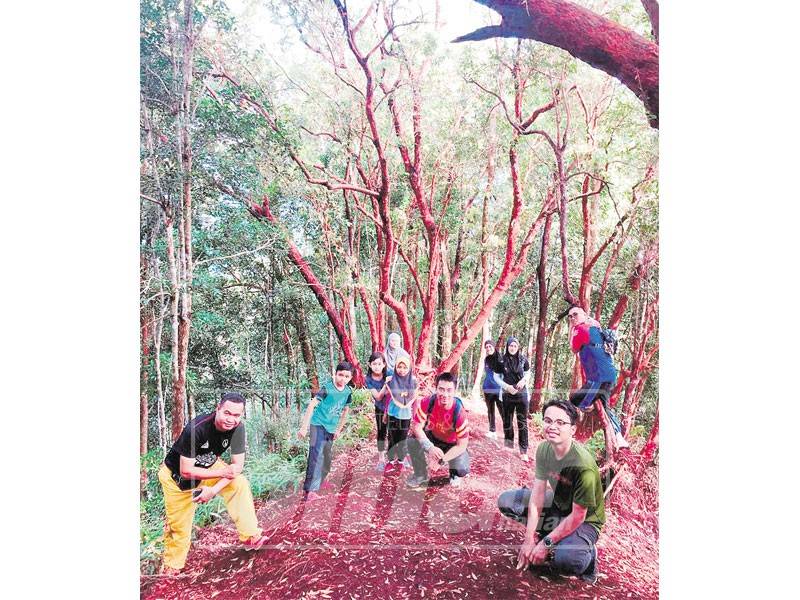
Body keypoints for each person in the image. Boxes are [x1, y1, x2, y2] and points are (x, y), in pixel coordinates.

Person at [157, 392, 269, 575]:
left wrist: (214, 489)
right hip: (176, 478)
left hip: (208, 469)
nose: (231, 419)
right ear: (218, 409)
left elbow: (237, 467)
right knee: (179, 527)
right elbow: (186, 470)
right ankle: (172, 569)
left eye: (236, 415)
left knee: (238, 483)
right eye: (227, 413)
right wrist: (221, 472)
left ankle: (250, 536)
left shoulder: (238, 429)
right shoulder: (197, 429)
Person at [497, 400, 604, 584]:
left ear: (573, 430)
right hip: (558, 504)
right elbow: (537, 496)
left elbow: (578, 516)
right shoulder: (544, 449)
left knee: (567, 561)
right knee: (508, 502)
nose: (552, 426)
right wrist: (529, 538)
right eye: (548, 420)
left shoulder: (583, 467)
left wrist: (546, 545)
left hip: (586, 520)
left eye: (560, 423)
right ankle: (548, 533)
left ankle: (588, 558)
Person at [567, 306, 629, 449]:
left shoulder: (580, 329)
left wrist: (571, 329)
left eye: (575, 315)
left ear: (583, 315)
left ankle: (576, 423)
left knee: (575, 400)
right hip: (609, 375)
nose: (572, 318)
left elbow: (574, 349)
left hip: (598, 379)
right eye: (569, 317)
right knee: (606, 407)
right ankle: (620, 438)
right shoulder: (595, 327)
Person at [298, 362, 354, 501]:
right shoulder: (327, 388)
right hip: (317, 425)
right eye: (340, 375)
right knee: (315, 456)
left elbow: (345, 410)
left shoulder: (347, 392)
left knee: (326, 460)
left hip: (331, 428)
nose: (343, 379)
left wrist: (339, 429)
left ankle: (318, 483)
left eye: (347, 376)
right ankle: (310, 491)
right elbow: (312, 404)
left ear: (350, 377)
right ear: (335, 374)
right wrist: (304, 427)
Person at [405, 371, 470, 488]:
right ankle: (420, 474)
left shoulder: (460, 413)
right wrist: (430, 448)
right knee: (411, 441)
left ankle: (454, 473)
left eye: (449, 390)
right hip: (433, 437)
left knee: (462, 468)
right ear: (436, 388)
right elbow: (416, 427)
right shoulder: (427, 402)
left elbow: (462, 445)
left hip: (451, 444)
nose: (445, 394)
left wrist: (441, 460)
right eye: (441, 389)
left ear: (455, 391)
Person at [498, 336, 532, 461]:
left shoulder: (523, 359)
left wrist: (523, 381)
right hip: (507, 393)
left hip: (521, 394)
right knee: (507, 420)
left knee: (522, 422)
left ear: (518, 347)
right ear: (507, 347)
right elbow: (497, 377)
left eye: (515, 346)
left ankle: (523, 451)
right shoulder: (501, 360)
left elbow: (528, 372)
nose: (512, 348)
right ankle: (508, 445)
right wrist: (507, 387)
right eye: (510, 346)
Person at [384, 355, 418, 469]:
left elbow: (415, 401)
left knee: (403, 438)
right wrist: (385, 413)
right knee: (392, 437)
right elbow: (388, 399)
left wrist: (415, 418)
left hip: (405, 416)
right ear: (395, 367)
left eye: (405, 367)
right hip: (392, 414)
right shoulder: (390, 380)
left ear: (409, 368)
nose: (402, 370)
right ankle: (390, 460)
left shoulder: (413, 382)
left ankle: (401, 459)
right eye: (399, 367)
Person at [365, 351, 389, 471]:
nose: (377, 366)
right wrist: (386, 384)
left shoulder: (389, 374)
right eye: (374, 364)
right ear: (369, 365)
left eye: (380, 364)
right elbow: (378, 396)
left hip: (393, 408)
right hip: (380, 408)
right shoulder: (368, 379)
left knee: (396, 431)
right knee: (381, 432)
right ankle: (381, 459)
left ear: (384, 364)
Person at [482, 339, 504, 439]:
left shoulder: (501, 359)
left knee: (503, 411)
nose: (488, 348)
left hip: (499, 390)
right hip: (488, 389)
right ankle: (492, 432)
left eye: (490, 346)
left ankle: (508, 433)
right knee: (490, 411)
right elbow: (488, 373)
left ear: (494, 347)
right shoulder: (486, 360)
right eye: (486, 347)